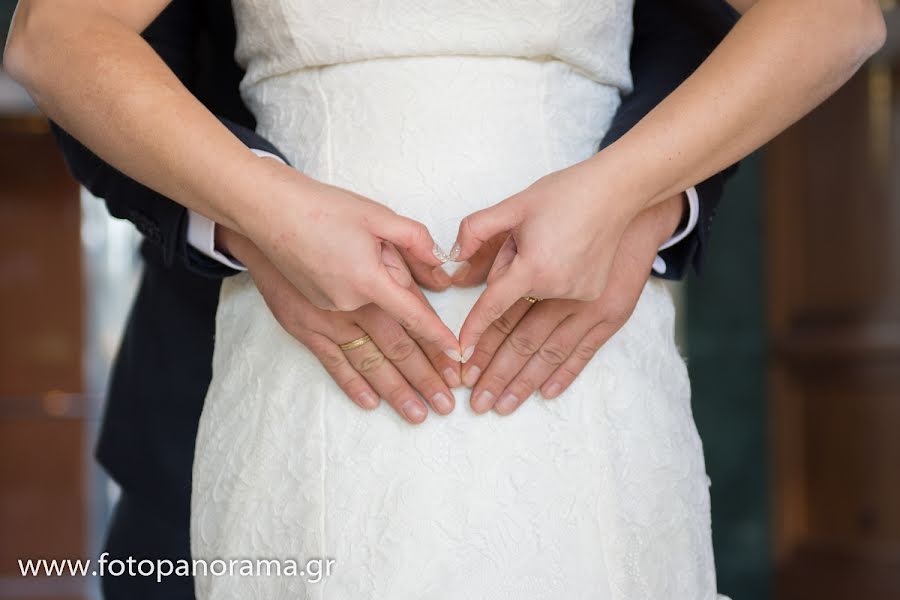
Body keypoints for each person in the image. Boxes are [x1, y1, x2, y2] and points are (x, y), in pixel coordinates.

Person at [4, 0, 884, 598]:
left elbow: (802, 24)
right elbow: (61, 39)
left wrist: (638, 197)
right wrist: (256, 216)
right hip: (280, 380)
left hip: (584, 394)